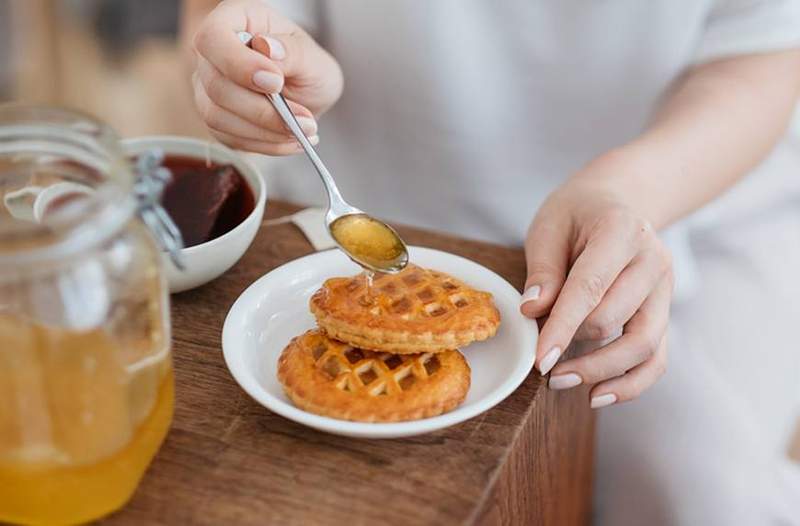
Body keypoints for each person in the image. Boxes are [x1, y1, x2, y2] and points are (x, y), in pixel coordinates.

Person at [181, 1, 800, 523]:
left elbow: (764, 51)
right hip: (356, 209)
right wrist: (265, 51)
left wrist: (628, 191)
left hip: (668, 206)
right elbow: (237, 14)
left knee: (702, 494)